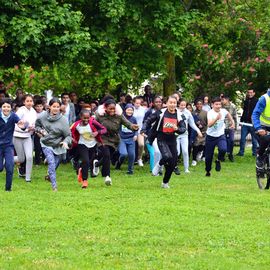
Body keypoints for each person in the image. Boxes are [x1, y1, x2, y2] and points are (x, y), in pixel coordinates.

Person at [141, 96, 186, 188]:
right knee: (167, 156)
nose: (172, 104)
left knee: (172, 163)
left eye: (174, 103)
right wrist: (143, 129)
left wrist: (177, 129)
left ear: (176, 104)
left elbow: (183, 128)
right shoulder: (161, 112)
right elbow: (148, 120)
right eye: (171, 102)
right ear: (167, 103)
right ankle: (159, 164)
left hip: (172, 139)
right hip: (161, 138)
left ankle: (165, 183)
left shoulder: (179, 114)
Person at [95, 99, 139, 186]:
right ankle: (107, 176)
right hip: (102, 139)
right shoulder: (99, 115)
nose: (112, 110)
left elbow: (127, 124)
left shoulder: (119, 116)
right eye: (110, 109)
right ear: (105, 108)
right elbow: (93, 124)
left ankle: (96, 164)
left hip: (114, 140)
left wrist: (133, 127)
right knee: (106, 155)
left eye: (113, 109)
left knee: (107, 157)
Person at [35, 98, 72, 191]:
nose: (55, 108)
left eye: (58, 107)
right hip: (46, 143)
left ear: (60, 108)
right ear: (49, 107)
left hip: (58, 145)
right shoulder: (42, 116)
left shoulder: (63, 120)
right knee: (51, 163)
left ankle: (49, 175)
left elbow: (68, 135)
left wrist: (65, 142)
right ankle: (54, 187)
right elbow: (37, 126)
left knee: (57, 162)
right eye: (54, 106)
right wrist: (41, 131)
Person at [71, 109, 107, 188]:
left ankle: (80, 169)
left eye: (88, 118)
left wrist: (97, 132)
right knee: (85, 160)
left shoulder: (93, 122)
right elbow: (68, 132)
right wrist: (72, 139)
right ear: (80, 117)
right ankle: (85, 181)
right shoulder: (76, 125)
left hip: (93, 145)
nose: (86, 120)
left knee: (88, 162)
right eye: (84, 118)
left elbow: (104, 129)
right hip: (82, 144)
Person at [204, 97, 235, 177]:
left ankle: (218, 160)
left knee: (223, 149)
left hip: (220, 135)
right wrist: (216, 118)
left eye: (219, 104)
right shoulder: (210, 113)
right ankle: (208, 171)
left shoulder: (223, 111)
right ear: (212, 105)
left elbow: (228, 115)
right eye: (216, 104)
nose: (218, 106)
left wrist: (233, 123)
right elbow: (209, 125)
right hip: (210, 137)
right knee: (208, 157)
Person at [0, 99, 24, 191]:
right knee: (0, 168)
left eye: (8, 107)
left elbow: (21, 124)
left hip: (8, 145)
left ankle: (8, 189)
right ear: (1, 107)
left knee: (10, 167)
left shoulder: (13, 116)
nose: (6, 109)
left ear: (11, 108)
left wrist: (23, 126)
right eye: (4, 106)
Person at [13, 94, 37, 182]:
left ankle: (28, 178)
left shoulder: (34, 112)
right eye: (27, 101)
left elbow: (34, 125)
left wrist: (32, 128)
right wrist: (25, 128)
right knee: (21, 158)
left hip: (27, 137)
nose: (29, 103)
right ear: (24, 102)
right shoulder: (20, 111)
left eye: (31, 101)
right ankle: (6, 159)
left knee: (30, 157)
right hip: (17, 136)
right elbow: (15, 124)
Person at [176, 100, 202, 173]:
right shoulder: (174, 111)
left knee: (185, 151)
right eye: (181, 105)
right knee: (177, 152)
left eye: (184, 105)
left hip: (184, 134)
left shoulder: (187, 112)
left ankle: (186, 169)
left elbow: (192, 123)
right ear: (178, 105)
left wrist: (198, 131)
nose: (183, 107)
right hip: (176, 135)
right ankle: (174, 166)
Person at [115, 104, 138, 174]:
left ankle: (130, 170)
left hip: (131, 139)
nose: (130, 111)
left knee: (132, 155)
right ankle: (118, 163)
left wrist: (136, 135)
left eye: (131, 110)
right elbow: (117, 127)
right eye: (128, 110)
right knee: (123, 154)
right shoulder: (121, 118)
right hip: (122, 139)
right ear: (125, 110)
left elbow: (136, 128)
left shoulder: (134, 119)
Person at [143, 96, 163, 174]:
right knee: (155, 152)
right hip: (151, 135)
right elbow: (145, 122)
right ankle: (154, 170)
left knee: (162, 152)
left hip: (161, 135)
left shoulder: (163, 111)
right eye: (156, 102)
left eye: (159, 102)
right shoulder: (149, 112)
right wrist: (145, 132)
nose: (158, 103)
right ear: (153, 103)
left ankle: (160, 168)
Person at [252, 88, 270, 169]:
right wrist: (258, 128)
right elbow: (255, 114)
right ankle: (260, 156)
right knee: (265, 139)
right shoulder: (264, 99)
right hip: (263, 127)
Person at [237, 89, 258, 156]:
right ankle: (241, 152)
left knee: (254, 140)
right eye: (248, 92)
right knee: (242, 139)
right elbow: (244, 111)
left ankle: (254, 153)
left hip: (253, 124)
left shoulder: (257, 101)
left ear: (254, 93)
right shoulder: (246, 101)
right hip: (245, 123)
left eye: (251, 92)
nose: (249, 94)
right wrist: (241, 121)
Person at [191, 98, 208, 166]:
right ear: (195, 105)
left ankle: (201, 154)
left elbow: (208, 122)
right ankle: (194, 159)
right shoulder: (193, 113)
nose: (199, 105)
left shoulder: (205, 113)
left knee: (203, 145)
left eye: (200, 104)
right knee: (195, 146)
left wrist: (204, 127)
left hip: (204, 132)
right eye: (198, 104)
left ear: (202, 105)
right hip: (196, 132)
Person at [221, 95, 238, 162]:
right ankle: (222, 155)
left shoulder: (233, 106)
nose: (222, 101)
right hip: (222, 127)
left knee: (231, 140)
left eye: (223, 100)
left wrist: (235, 126)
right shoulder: (221, 107)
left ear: (227, 99)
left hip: (231, 126)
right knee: (223, 141)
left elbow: (235, 117)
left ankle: (230, 154)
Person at [133, 96, 147, 167]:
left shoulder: (144, 109)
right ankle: (132, 160)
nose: (138, 104)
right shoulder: (131, 109)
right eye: (136, 103)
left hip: (140, 130)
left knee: (141, 144)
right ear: (134, 103)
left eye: (139, 103)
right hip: (131, 130)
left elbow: (147, 119)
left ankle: (139, 158)